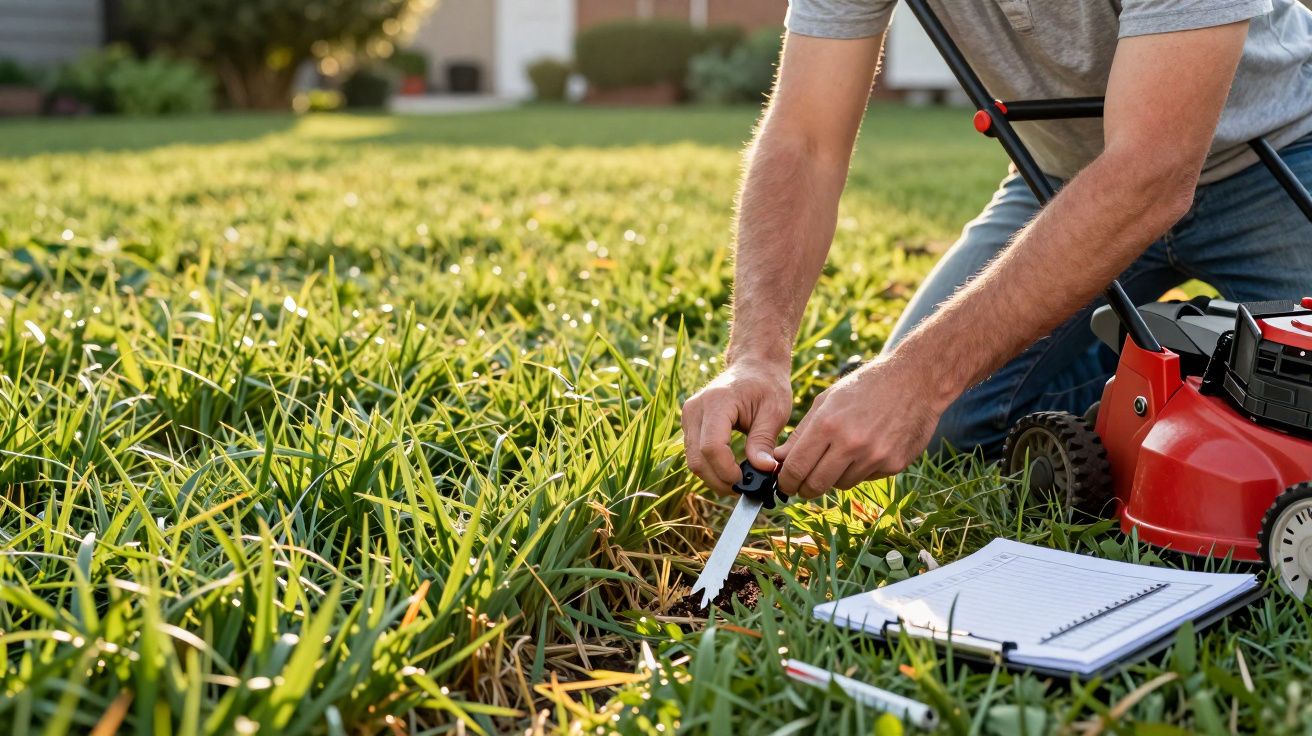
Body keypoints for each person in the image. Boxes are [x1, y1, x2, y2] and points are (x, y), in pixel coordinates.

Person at [681, 0, 1312, 499]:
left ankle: (1200, 368)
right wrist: (757, 356)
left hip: (1278, 155)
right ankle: (1176, 367)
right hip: (1065, 182)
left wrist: (918, 377)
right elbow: (805, 141)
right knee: (950, 426)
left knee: (1294, 405)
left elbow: (1153, 168)